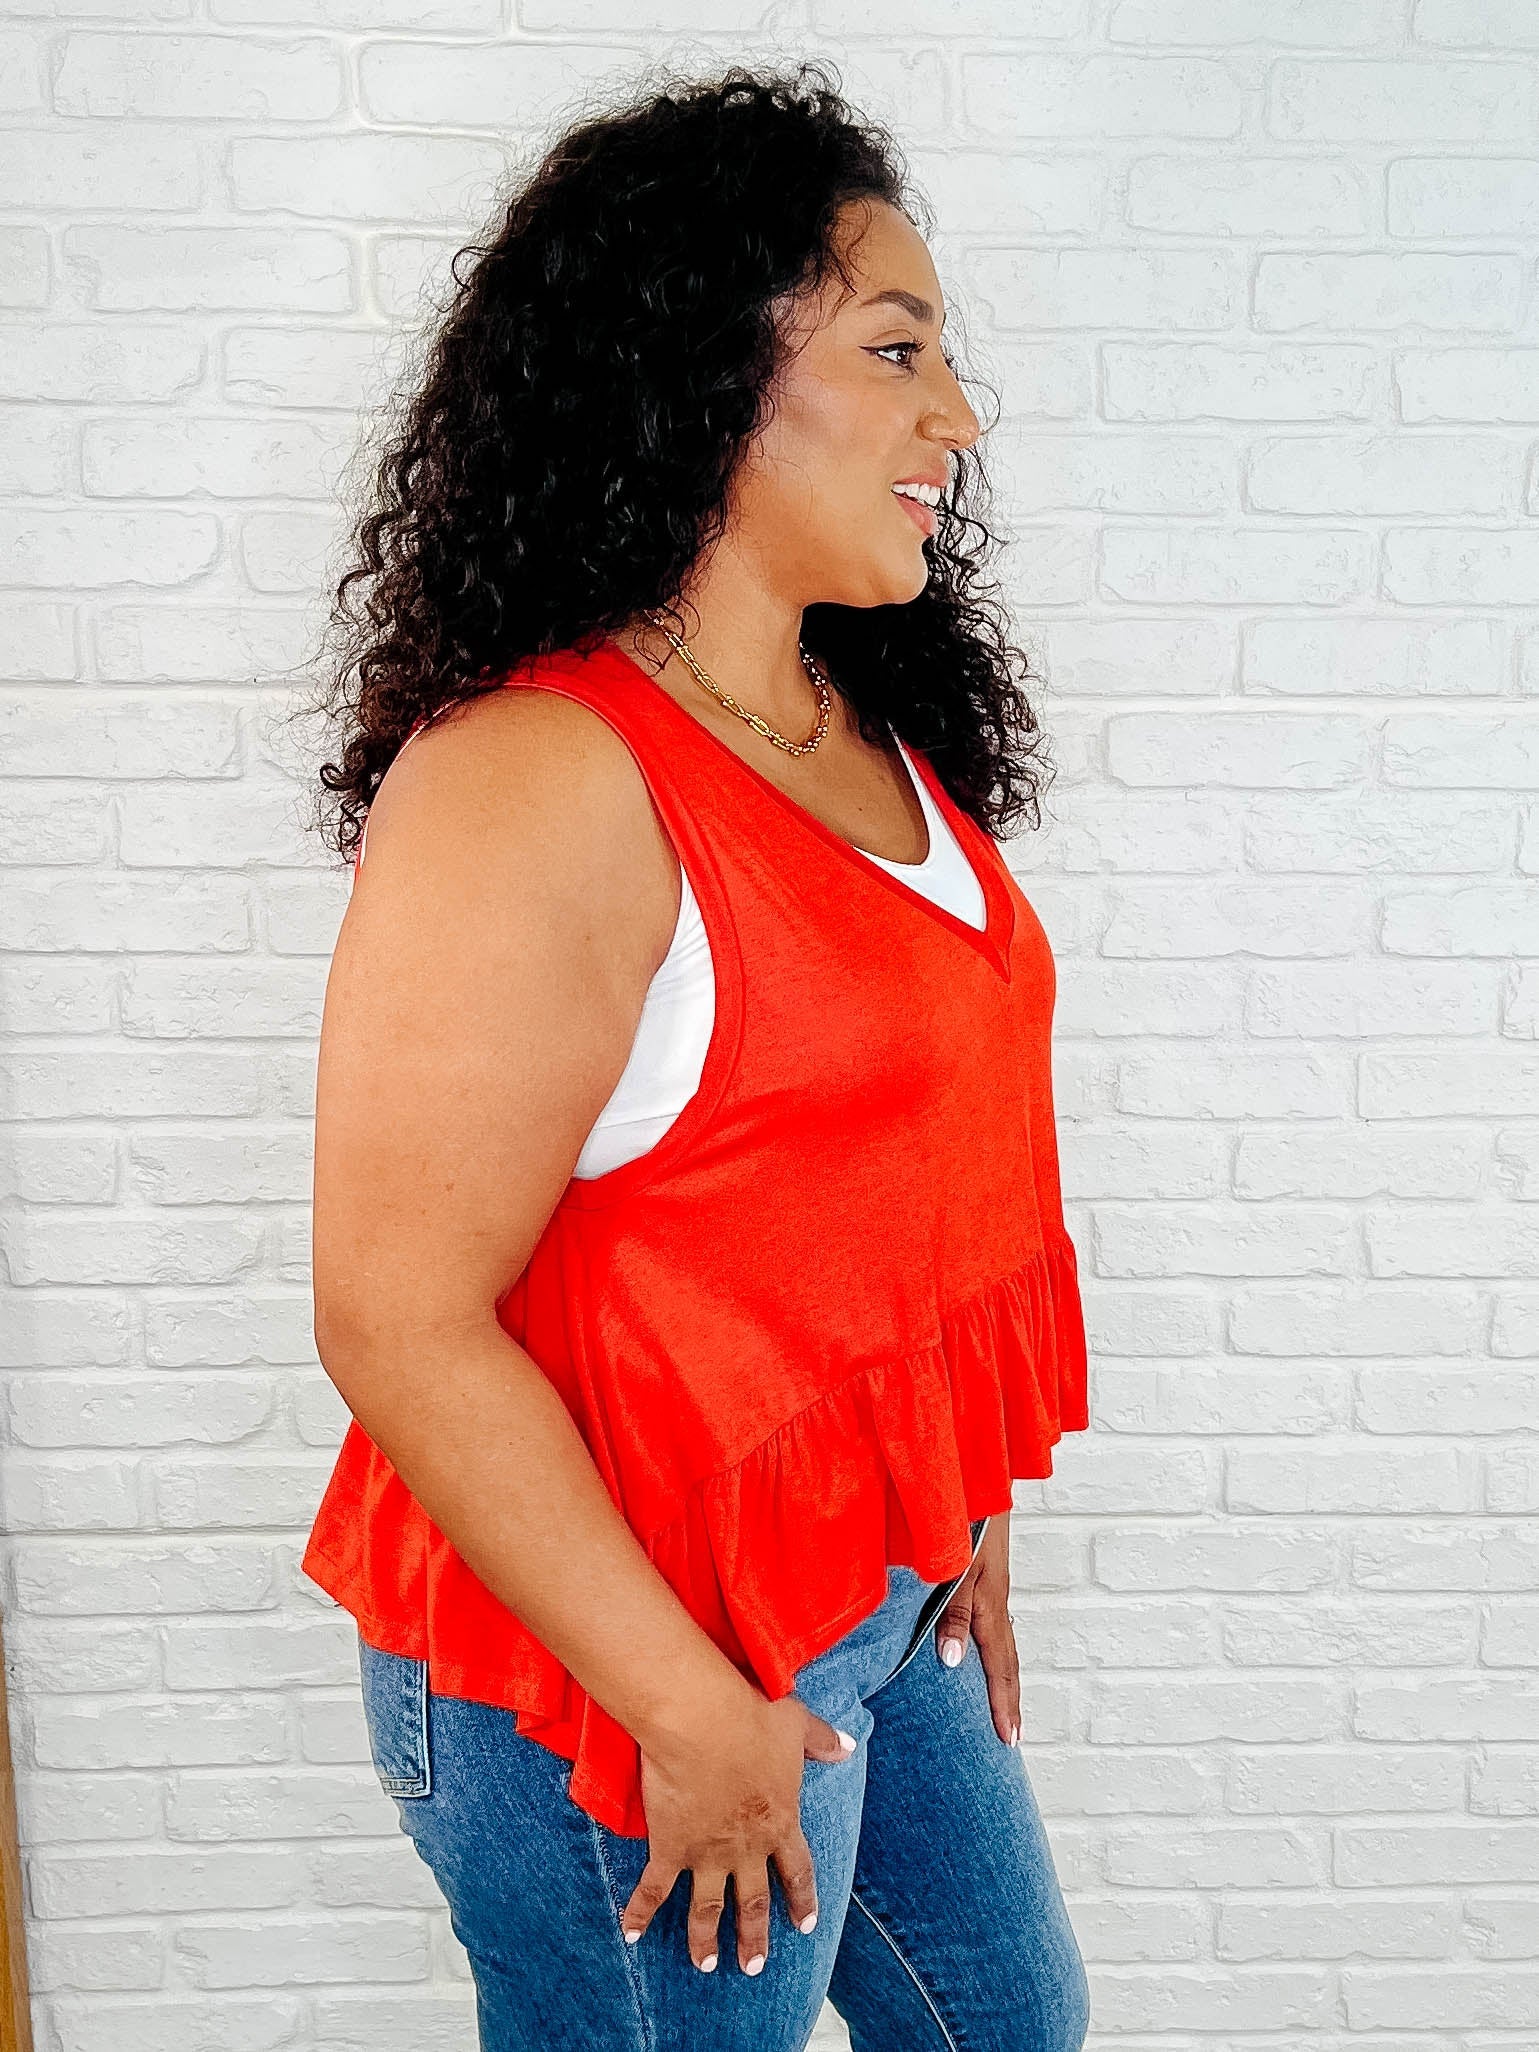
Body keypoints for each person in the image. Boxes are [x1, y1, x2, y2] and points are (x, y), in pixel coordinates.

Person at [300, 61, 1092, 2052]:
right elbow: (396, 1313)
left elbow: (888, 1175)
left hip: (867, 1598)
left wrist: (952, 1503)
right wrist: (680, 1703)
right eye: (894, 350)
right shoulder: (535, 777)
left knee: (1008, 2026)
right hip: (620, 1656)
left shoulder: (854, 722)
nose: (957, 416)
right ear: (700, 373)